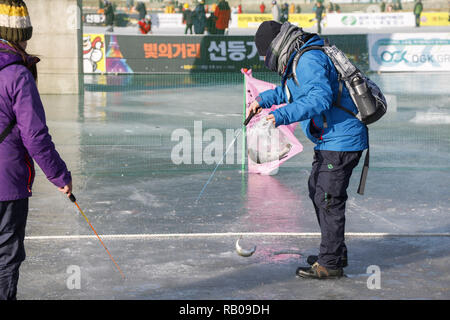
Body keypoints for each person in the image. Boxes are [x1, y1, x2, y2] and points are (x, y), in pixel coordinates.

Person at [250, 21, 367, 279]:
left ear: (274, 47)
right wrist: (263, 101)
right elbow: (293, 91)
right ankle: (334, 252)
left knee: (328, 198)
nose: (266, 60)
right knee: (318, 189)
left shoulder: (307, 59)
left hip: (342, 140)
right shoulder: (300, 56)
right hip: (332, 138)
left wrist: (279, 116)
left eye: (265, 54)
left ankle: (331, 263)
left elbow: (320, 98)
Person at [0, 0, 72, 300]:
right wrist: (59, 176)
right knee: (6, 253)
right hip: (7, 183)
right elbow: (35, 135)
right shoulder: (17, 75)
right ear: (22, 35)